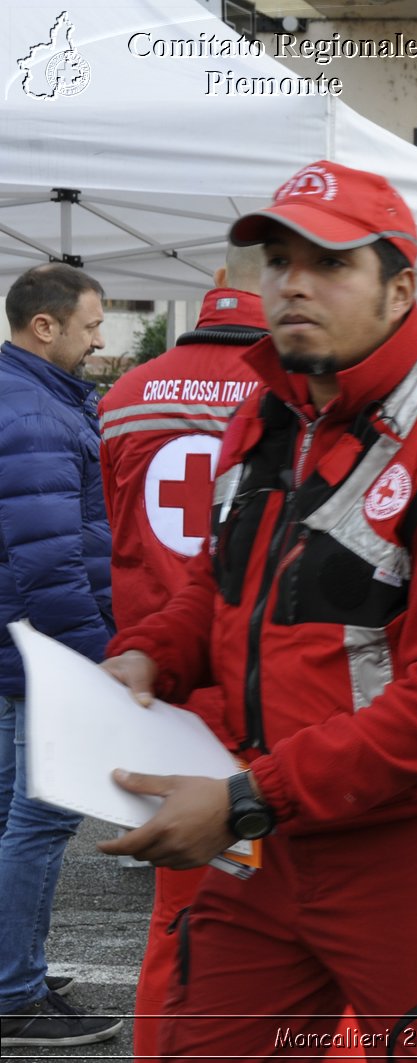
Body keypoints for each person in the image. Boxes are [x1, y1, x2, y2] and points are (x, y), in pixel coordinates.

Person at [95, 159, 417, 1059]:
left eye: (331, 262)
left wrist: (247, 799)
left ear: (400, 289)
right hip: (269, 823)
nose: (294, 282)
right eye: (277, 259)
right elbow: (219, 588)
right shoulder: (264, 415)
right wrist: (150, 654)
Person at [97, 246, 269, 1058]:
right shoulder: (284, 395)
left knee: (179, 910)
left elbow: (111, 523)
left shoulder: (125, 394)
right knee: (291, 905)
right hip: (255, 671)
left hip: (154, 668)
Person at [0, 264, 123, 1049]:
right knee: (40, 819)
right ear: (44, 327)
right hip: (48, 645)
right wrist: (95, 659)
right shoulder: (36, 412)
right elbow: (49, 558)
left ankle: (14, 969)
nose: (101, 337)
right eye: (90, 324)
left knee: (17, 814)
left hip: (23, 642)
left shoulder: (36, 399)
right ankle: (15, 992)